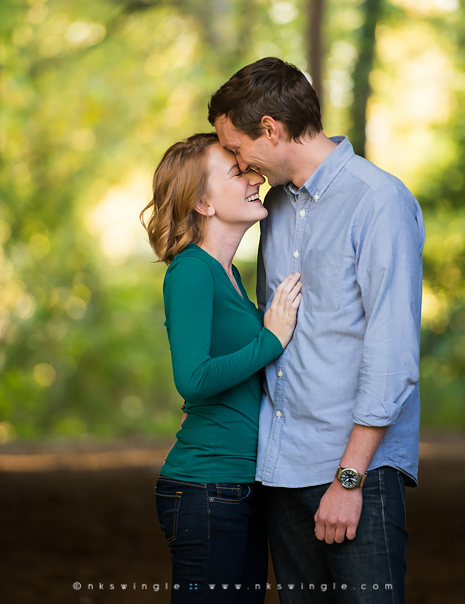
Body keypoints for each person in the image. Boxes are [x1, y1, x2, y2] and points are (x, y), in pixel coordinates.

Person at [208, 57, 425, 604]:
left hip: (356, 473)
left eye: (237, 149)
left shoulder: (378, 200)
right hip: (283, 470)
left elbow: (392, 351)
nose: (242, 166)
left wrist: (349, 479)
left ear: (271, 129)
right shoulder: (274, 206)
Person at [140, 132, 302, 603]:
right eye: (237, 172)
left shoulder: (228, 273)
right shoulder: (191, 270)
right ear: (203, 204)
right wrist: (270, 339)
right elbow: (193, 378)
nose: (254, 177)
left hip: (236, 486)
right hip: (206, 488)